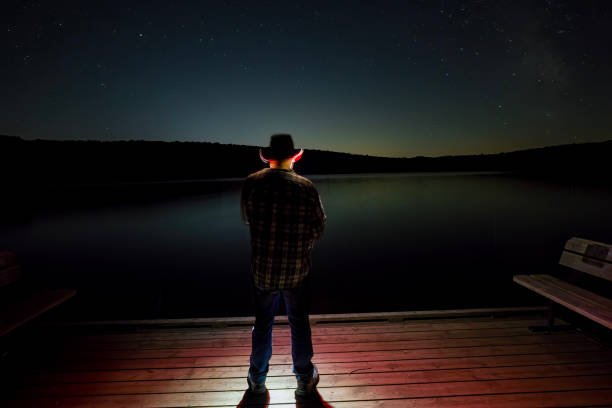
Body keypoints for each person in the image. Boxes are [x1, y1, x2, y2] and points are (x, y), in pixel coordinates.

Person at [241, 134, 326, 398]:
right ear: (295, 156)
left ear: (267, 157)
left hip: (263, 270)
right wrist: (301, 246)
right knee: (298, 323)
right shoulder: (306, 187)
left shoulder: (252, 184)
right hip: (296, 271)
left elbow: (248, 219)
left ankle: (257, 379)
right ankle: (303, 380)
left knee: (263, 323)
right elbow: (318, 226)